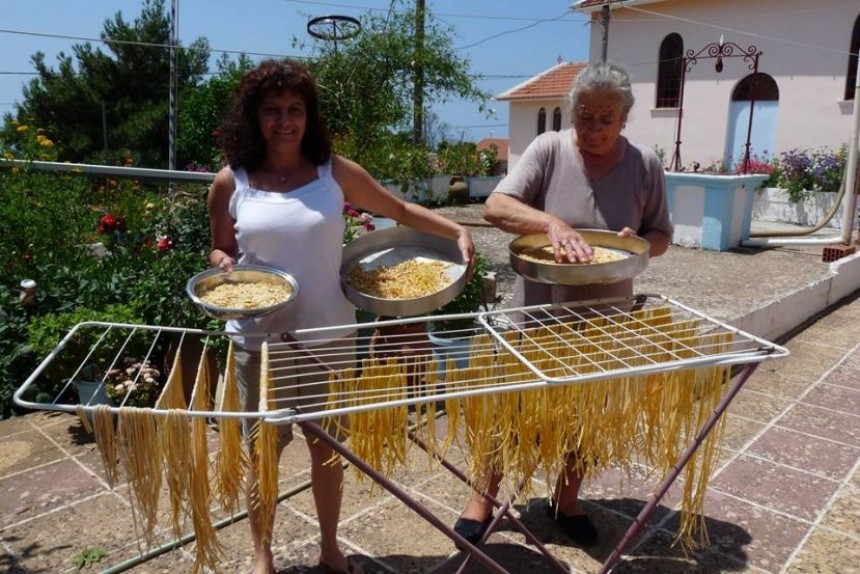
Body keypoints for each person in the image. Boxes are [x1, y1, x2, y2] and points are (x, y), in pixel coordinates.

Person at [208, 58, 475, 574]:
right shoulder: (231, 182)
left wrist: (453, 230)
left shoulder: (333, 173)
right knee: (261, 454)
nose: (284, 121)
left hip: (329, 334)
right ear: (253, 116)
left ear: (309, 117)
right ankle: (262, 557)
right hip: (258, 340)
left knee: (327, 448)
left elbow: (396, 208)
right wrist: (224, 265)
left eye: (295, 110)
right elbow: (218, 250)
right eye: (272, 110)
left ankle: (329, 548)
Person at [452, 61, 672, 548]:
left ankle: (566, 501)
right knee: (506, 409)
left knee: (583, 413)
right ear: (572, 113)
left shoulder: (644, 165)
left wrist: (638, 241)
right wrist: (551, 224)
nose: (594, 129)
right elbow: (497, 206)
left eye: (606, 119)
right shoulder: (550, 149)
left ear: (624, 119)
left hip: (604, 316)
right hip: (535, 311)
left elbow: (661, 236)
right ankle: (482, 499)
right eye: (585, 116)